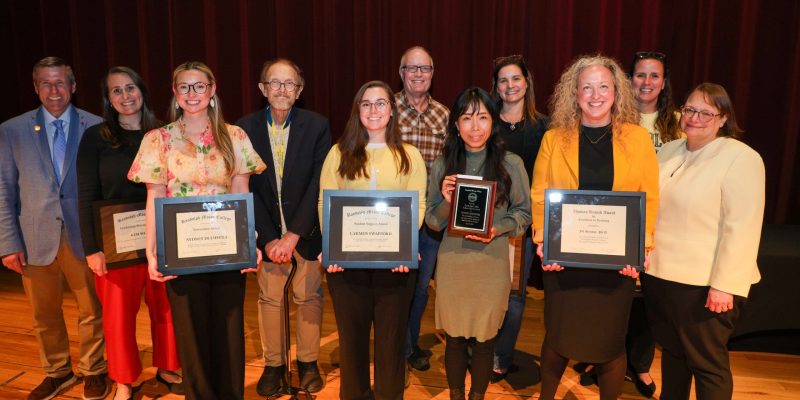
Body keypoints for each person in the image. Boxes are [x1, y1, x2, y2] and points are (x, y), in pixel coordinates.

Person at [127, 61, 266, 399]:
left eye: (199, 86)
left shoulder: (235, 137)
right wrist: (151, 251)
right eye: (185, 87)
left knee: (229, 331)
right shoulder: (157, 139)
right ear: (175, 93)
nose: (193, 93)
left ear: (212, 90)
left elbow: (241, 193)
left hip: (227, 250)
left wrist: (251, 245)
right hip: (181, 253)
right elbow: (154, 197)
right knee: (190, 334)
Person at [531, 55, 658, 400]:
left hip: (616, 264)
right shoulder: (554, 139)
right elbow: (541, 197)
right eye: (587, 86)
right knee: (558, 338)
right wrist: (545, 242)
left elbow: (648, 199)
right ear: (574, 93)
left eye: (604, 86)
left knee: (610, 344)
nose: (595, 94)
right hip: (564, 261)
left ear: (617, 92)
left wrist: (641, 248)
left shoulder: (638, 139)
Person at [642, 83, 764, 400]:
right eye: (691, 109)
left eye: (706, 112)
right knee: (674, 355)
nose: (695, 117)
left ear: (723, 118)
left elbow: (743, 226)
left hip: (705, 285)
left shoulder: (741, 158)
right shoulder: (669, 150)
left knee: (708, 365)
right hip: (662, 276)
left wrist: (726, 284)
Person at [0, 57, 109, 400]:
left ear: (74, 87)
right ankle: (57, 371)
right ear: (35, 88)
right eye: (46, 83)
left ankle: (94, 370)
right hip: (33, 239)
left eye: (60, 82)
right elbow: (3, 187)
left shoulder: (98, 126)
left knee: (92, 309)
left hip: (84, 237)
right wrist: (6, 242)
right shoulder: (12, 130)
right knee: (44, 313)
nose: (54, 90)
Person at [76, 66, 183, 400]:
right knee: (118, 316)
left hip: (161, 236)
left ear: (142, 91)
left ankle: (168, 366)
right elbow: (87, 194)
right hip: (114, 244)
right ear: (108, 99)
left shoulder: (165, 133)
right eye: (116, 91)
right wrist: (93, 249)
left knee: (166, 307)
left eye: (130, 88)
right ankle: (125, 379)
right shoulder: (95, 137)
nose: (125, 96)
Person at [319, 80, 427, 400]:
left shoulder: (409, 156)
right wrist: (332, 250)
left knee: (391, 344)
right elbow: (325, 204)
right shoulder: (338, 153)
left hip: (396, 267)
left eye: (381, 103)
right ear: (357, 111)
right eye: (366, 104)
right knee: (351, 343)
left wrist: (403, 249)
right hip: (346, 267)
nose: (374, 110)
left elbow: (417, 205)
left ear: (392, 111)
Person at [426, 87, 531, 400]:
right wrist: (446, 200)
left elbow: (523, 215)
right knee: (455, 339)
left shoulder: (511, 164)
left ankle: (477, 397)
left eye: (482, 117)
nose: (475, 126)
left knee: (486, 341)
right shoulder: (442, 164)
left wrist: (495, 229)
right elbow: (432, 221)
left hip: (491, 263)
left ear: (493, 121)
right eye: (467, 118)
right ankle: (457, 395)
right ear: (456, 125)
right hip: (453, 263)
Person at [236, 58, 331, 396]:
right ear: (262, 89)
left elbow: (319, 182)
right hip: (267, 235)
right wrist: (271, 237)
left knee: (309, 298)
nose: (281, 89)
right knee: (270, 299)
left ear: (299, 91)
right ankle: (274, 365)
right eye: (273, 83)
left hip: (306, 233)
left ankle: (308, 363)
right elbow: (245, 186)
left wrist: (294, 234)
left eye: (288, 83)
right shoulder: (243, 128)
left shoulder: (318, 126)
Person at [488, 54, 549, 383]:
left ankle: (501, 355)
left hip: (521, 227)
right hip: (484, 223)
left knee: (513, 295)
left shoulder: (544, 127)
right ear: (495, 87)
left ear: (527, 82)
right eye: (503, 80)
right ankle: (480, 347)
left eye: (516, 79)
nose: (510, 86)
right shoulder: (485, 122)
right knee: (484, 289)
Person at [394, 45, 450, 372]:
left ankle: (409, 344)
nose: (418, 74)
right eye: (411, 68)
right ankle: (393, 345)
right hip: (392, 219)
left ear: (432, 73)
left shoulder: (444, 115)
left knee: (419, 289)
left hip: (429, 220)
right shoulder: (383, 108)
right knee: (393, 287)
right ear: (401, 73)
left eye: (424, 68)